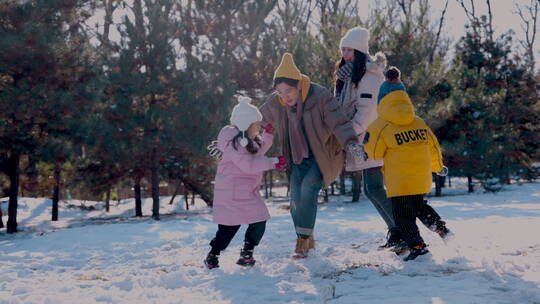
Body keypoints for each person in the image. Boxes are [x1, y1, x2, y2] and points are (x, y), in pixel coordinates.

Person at [260, 53, 362, 258]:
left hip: (322, 156)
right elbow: (255, 119)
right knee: (296, 199)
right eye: (280, 92)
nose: (285, 96)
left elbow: (338, 122)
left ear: (298, 85)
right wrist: (233, 135)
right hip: (296, 158)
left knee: (308, 189)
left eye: (288, 90)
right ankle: (307, 237)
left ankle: (302, 243)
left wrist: (351, 143)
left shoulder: (319, 95)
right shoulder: (277, 102)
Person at [364, 67, 452, 261]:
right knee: (420, 207)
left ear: (382, 101)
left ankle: (418, 246)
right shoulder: (419, 122)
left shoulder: (380, 125)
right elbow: (433, 147)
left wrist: (364, 150)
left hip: (399, 181)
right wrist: (437, 167)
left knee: (403, 217)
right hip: (420, 177)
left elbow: (375, 152)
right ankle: (443, 231)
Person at [334, 26, 402, 248]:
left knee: (373, 189)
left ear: (360, 52)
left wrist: (348, 132)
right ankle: (396, 231)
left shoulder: (369, 77)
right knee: (371, 189)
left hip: (371, 139)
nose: (344, 54)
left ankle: (402, 231)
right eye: (343, 49)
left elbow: (367, 111)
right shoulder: (350, 75)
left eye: (349, 50)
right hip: (363, 138)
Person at [204, 96, 287, 269]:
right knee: (228, 228)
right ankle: (213, 255)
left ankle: (247, 253)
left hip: (244, 191)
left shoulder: (245, 140)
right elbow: (249, 165)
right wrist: (273, 162)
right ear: (245, 124)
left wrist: (268, 137)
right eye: (256, 124)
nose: (258, 127)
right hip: (232, 193)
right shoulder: (233, 143)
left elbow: (256, 153)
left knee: (259, 220)